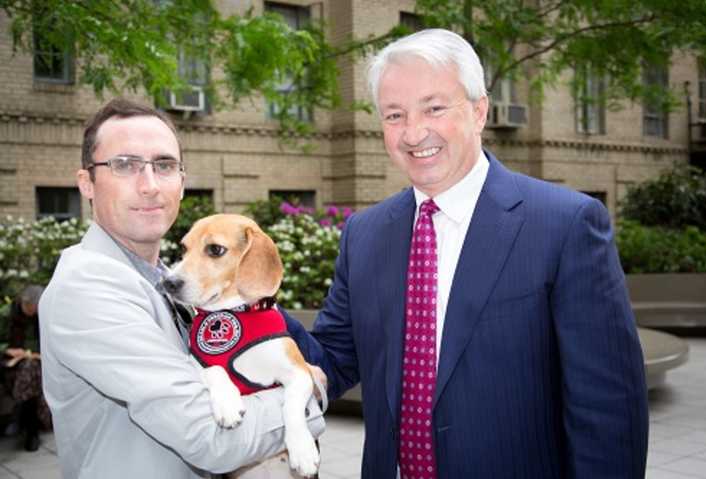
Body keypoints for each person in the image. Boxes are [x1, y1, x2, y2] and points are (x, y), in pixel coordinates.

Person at [284, 29, 649, 478]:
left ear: (479, 111)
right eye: (394, 115)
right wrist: (248, 307)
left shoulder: (566, 225)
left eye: (434, 108)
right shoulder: (364, 234)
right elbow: (332, 360)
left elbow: (608, 408)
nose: (414, 132)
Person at [38, 98, 325, 479]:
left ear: (182, 183)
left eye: (164, 165)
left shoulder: (169, 282)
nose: (150, 185)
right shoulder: (87, 287)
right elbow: (212, 437)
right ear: (86, 183)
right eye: (124, 165)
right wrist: (311, 390)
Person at [2, 284, 51, 452]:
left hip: (36, 363)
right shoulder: (6, 315)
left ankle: (19, 414)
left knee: (31, 369)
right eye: (29, 307)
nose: (32, 311)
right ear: (23, 301)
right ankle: (32, 431)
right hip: (9, 364)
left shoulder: (43, 316)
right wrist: (8, 350)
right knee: (30, 373)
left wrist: (36, 354)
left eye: (35, 308)